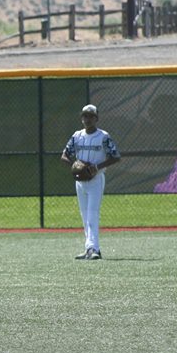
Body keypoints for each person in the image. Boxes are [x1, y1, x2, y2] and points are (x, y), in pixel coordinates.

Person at [61, 104, 121, 260]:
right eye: (85, 116)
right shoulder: (77, 136)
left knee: (92, 214)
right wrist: (74, 164)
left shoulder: (103, 136)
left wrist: (97, 167)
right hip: (80, 181)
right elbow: (65, 155)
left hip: (96, 180)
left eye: (90, 116)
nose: (87, 119)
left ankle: (94, 248)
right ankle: (89, 248)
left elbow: (115, 156)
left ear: (96, 118)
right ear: (82, 118)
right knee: (84, 214)